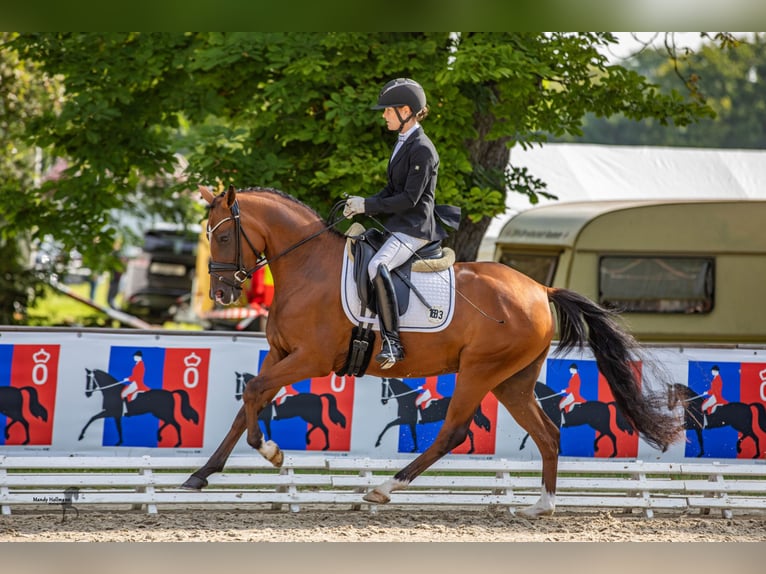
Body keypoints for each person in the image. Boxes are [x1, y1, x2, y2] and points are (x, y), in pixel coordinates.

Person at [343, 78, 460, 369]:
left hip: (415, 227)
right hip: (399, 224)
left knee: (376, 266)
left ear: (406, 110)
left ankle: (393, 342)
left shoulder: (422, 148)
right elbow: (390, 190)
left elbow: (409, 199)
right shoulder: (403, 143)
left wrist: (368, 206)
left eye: (388, 110)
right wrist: (361, 203)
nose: (383, 115)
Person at [120, 350, 150, 415]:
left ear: (139, 357)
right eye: (134, 356)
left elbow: (137, 376)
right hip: (135, 382)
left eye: (135, 356)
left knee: (123, 394)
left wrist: (128, 379)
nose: (134, 358)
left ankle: (125, 411)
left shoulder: (140, 365)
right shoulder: (138, 364)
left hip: (137, 383)